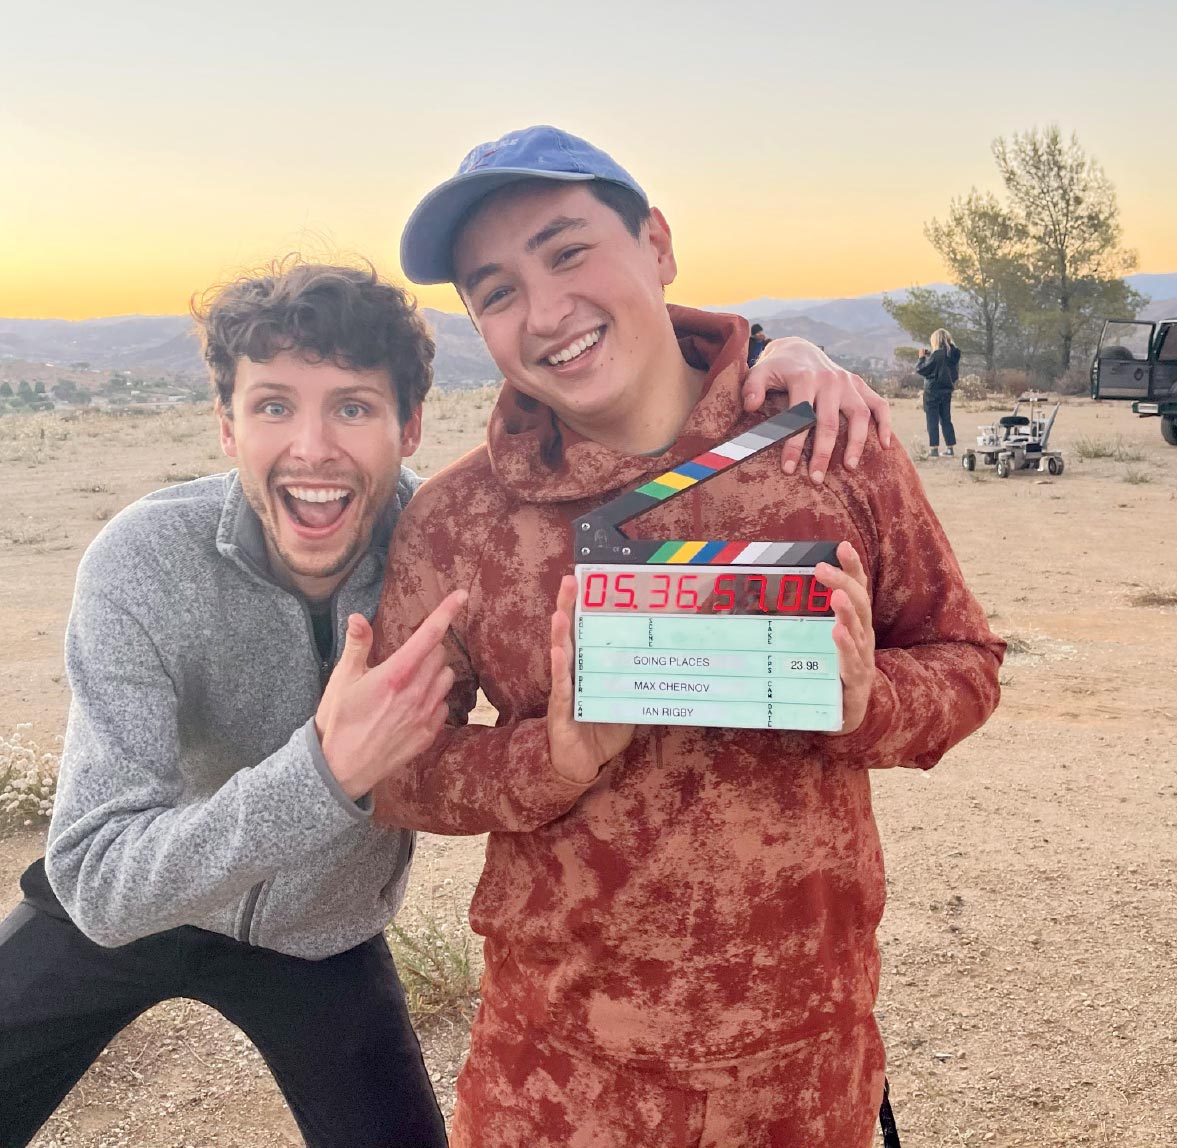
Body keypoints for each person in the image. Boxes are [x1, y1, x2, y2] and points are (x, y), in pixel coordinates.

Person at [0, 256, 891, 1148]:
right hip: (137, 903)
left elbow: (631, 423)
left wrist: (776, 355)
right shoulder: (144, 563)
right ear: (227, 428)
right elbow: (99, 886)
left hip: (321, 939)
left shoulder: (451, 546)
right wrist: (324, 772)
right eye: (273, 405)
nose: (312, 447)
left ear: (411, 425)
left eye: (352, 406)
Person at [370, 125, 1005, 1148]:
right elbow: (394, 772)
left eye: (568, 250)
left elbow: (965, 660)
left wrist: (868, 700)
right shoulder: (456, 523)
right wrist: (553, 754)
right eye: (494, 290)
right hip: (556, 1087)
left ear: (657, 244)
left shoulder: (827, 441)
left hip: (804, 1080)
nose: (545, 312)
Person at [916, 327, 961, 457]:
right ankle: (950, 448)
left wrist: (921, 358)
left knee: (932, 420)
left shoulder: (937, 355)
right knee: (946, 419)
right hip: (947, 390)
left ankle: (934, 448)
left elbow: (922, 369)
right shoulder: (954, 354)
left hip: (932, 391)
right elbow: (947, 369)